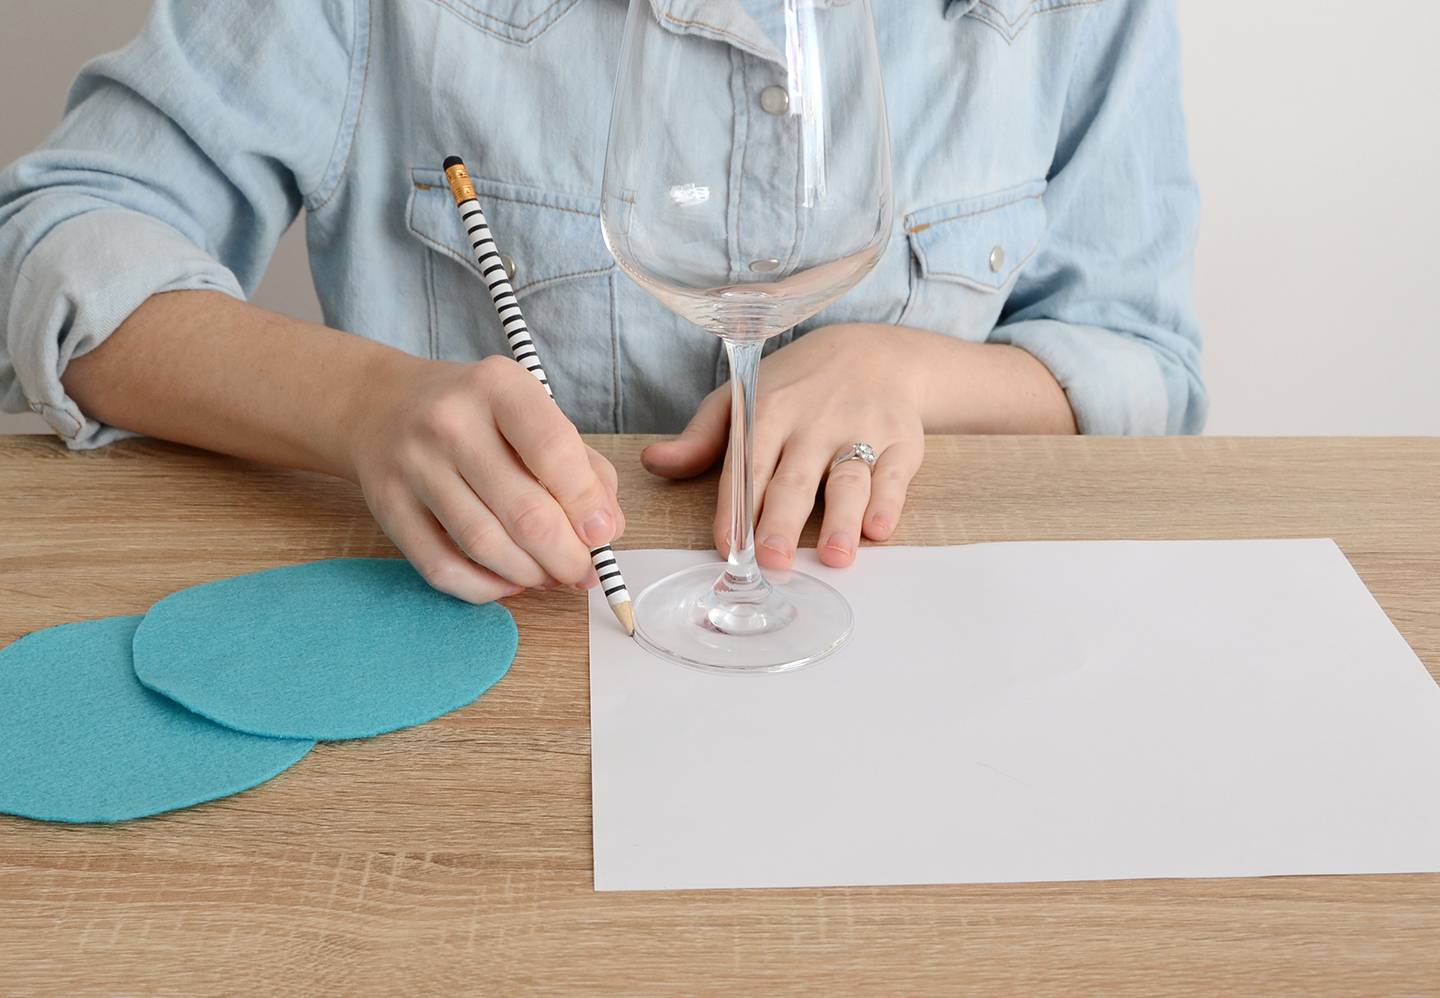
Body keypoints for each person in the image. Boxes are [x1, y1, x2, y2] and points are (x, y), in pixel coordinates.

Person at [0, 0, 1204, 605]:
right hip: (492, 673)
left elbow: (1145, 361)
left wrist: (909, 371)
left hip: (942, 686)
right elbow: (57, 243)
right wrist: (362, 405)